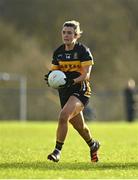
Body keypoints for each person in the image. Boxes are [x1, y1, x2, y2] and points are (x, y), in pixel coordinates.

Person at [44, 20, 100, 163]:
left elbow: (86, 75)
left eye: (69, 33)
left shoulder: (83, 51)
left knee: (63, 116)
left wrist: (72, 80)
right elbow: (54, 72)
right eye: (64, 32)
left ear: (76, 35)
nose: (66, 35)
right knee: (80, 127)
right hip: (65, 92)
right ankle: (93, 145)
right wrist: (50, 77)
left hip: (81, 89)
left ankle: (57, 152)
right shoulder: (58, 52)